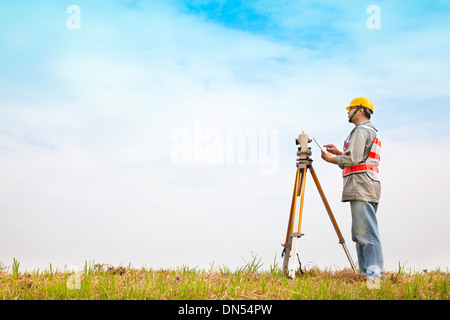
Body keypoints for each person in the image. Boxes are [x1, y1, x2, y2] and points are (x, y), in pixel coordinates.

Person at [321, 97, 383, 287]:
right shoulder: (369, 131)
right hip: (367, 185)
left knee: (366, 234)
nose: (348, 112)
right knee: (360, 233)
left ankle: (373, 280)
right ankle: (366, 276)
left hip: (361, 186)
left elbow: (354, 159)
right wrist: (341, 153)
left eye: (351, 109)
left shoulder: (361, 131)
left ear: (361, 111)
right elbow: (359, 157)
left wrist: (331, 159)